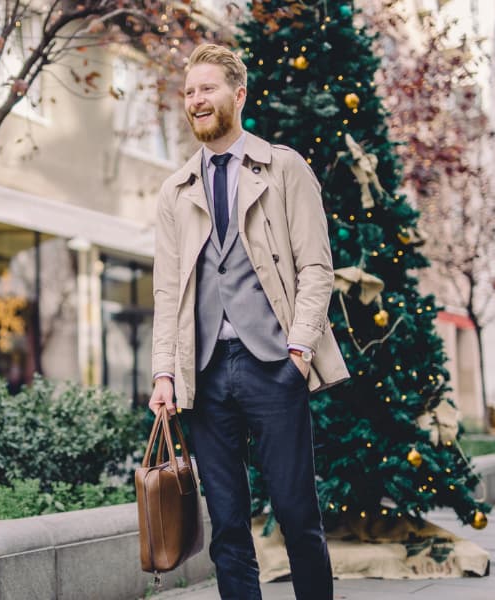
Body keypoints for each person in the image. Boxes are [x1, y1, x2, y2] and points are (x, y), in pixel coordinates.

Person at [148, 43, 350, 600]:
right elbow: (169, 292)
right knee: (228, 526)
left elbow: (316, 266)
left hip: (273, 367)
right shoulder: (176, 191)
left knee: (296, 514)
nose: (196, 101)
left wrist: (299, 350)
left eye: (207, 89)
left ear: (238, 94)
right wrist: (164, 373)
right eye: (189, 92)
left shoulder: (283, 168)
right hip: (206, 374)